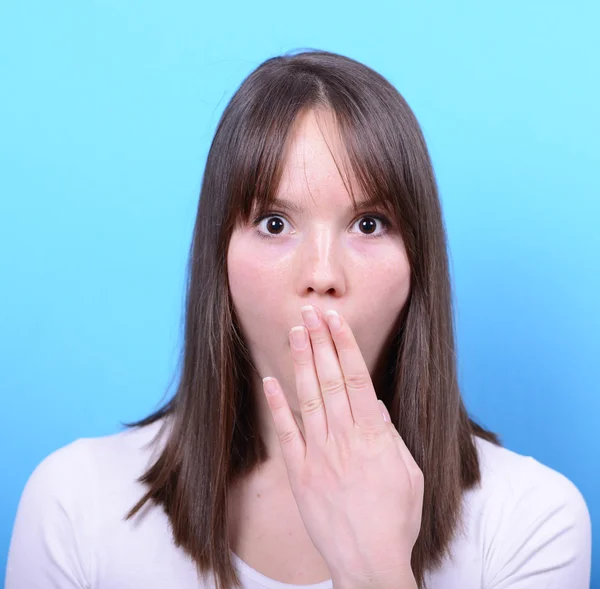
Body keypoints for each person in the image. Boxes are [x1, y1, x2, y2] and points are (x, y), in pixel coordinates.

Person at [5, 49, 592, 589]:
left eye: (368, 224)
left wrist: (377, 567)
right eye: (275, 224)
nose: (321, 273)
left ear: (419, 263)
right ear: (221, 259)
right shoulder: (74, 504)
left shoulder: (532, 518)